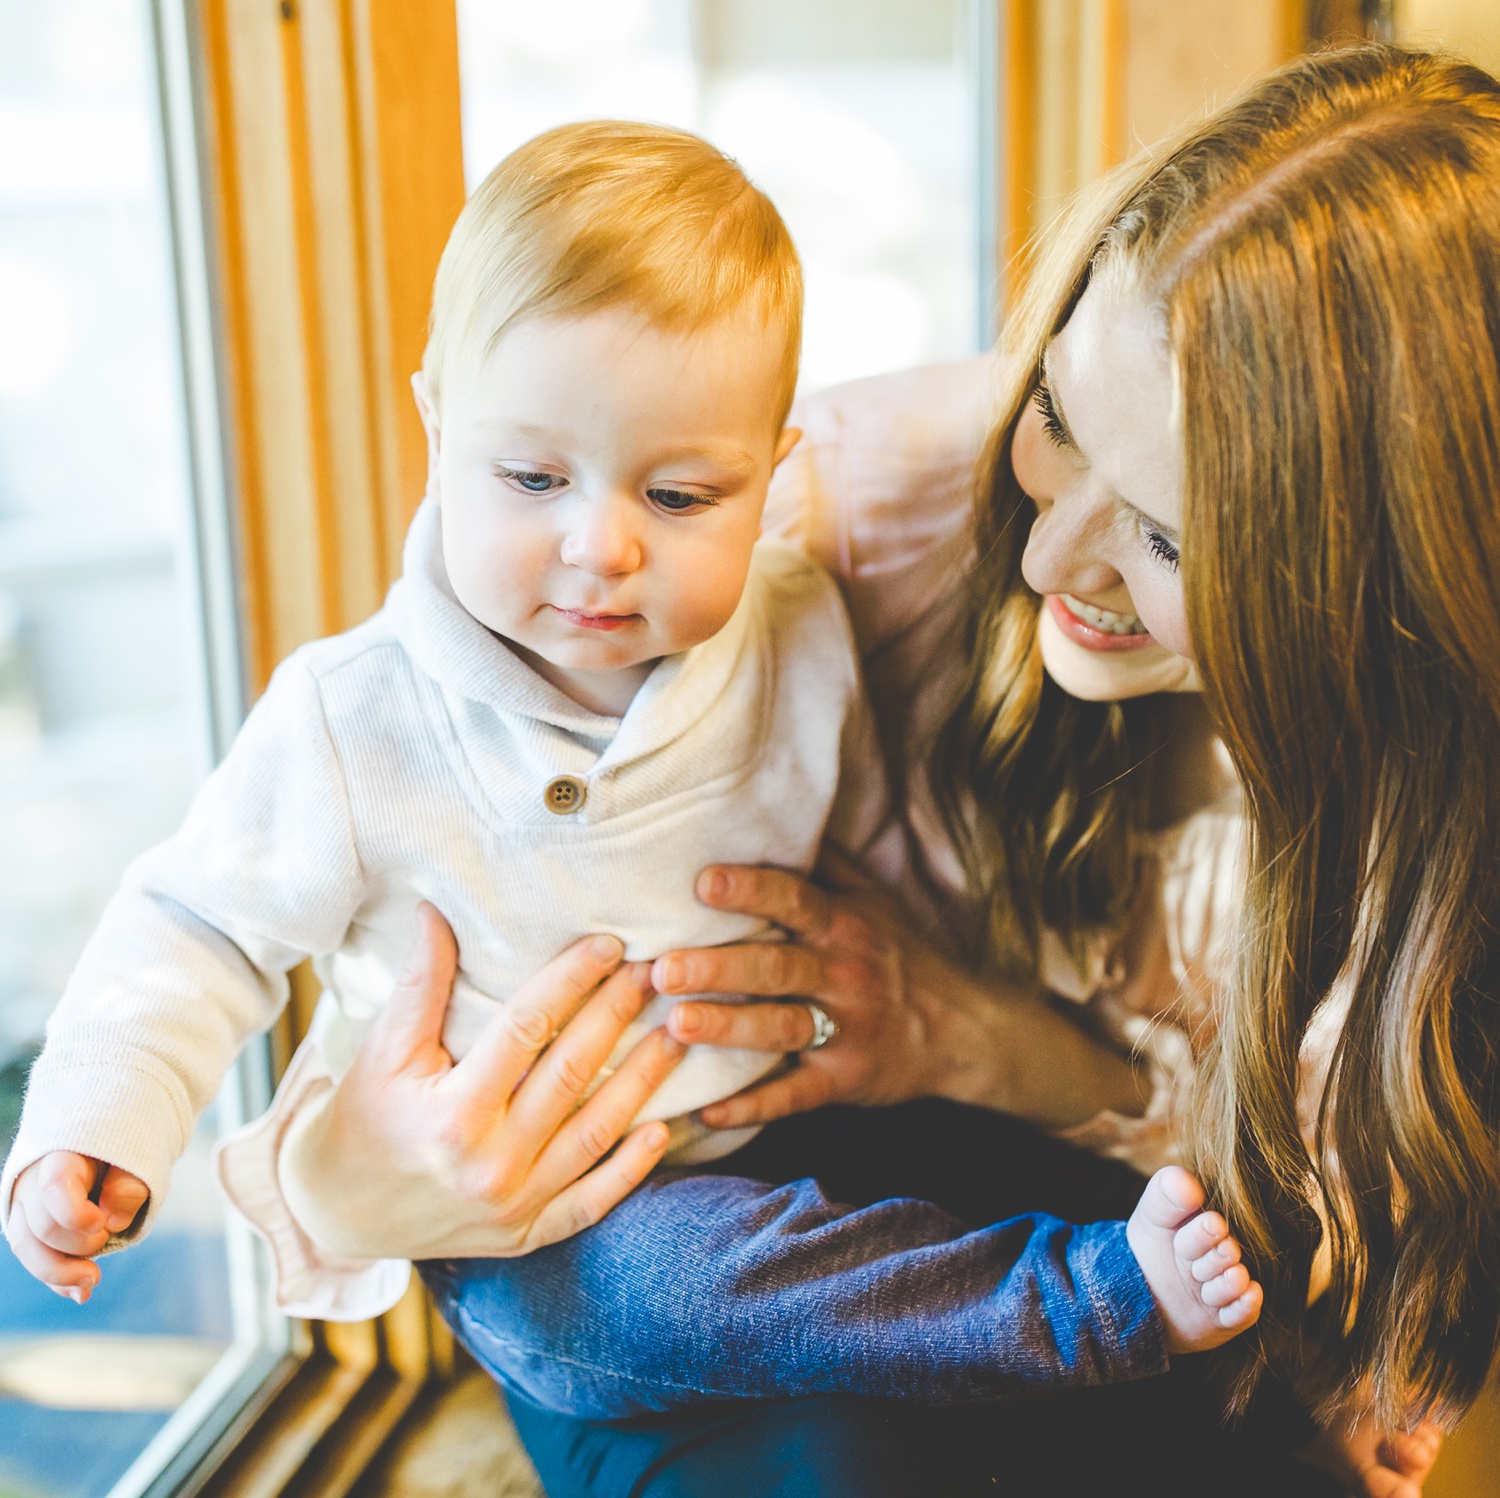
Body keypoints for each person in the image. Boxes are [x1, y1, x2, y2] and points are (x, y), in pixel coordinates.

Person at [170, 42, 1490, 1498]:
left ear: (1385, 592)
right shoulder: (843, 508)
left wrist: (981, 1040)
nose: (1047, 556)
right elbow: (465, 850)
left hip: (1032, 1221)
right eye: (1054, 415)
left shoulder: (1433, 819)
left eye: (1170, 540)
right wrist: (332, 1176)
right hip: (665, 1252)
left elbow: (1329, 1216)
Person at [0, 119, 1258, 1390]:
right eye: (534, 476)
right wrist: (98, 1126)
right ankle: (1080, 1306)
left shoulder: (797, 631)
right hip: (545, 1229)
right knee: (688, 1285)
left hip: (776, 1141)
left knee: (878, 1231)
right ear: (437, 421)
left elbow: (886, 863)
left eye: (676, 498)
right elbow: (191, 929)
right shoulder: (352, 718)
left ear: (772, 481)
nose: (600, 547)